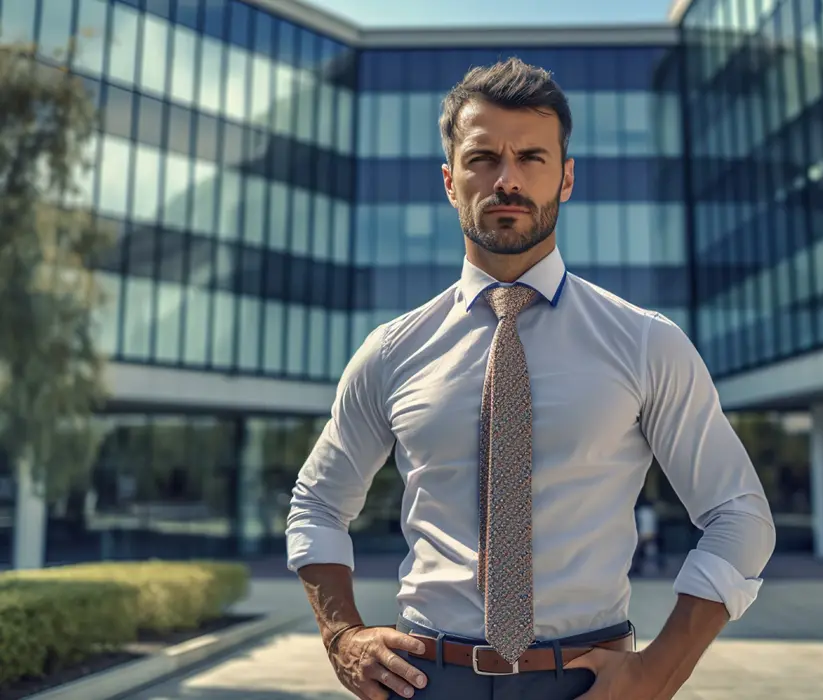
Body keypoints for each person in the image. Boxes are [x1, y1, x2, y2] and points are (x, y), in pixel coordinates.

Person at [285, 57, 776, 700]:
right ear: (450, 180)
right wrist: (341, 637)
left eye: (532, 158)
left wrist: (660, 672)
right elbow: (318, 503)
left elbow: (739, 515)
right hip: (425, 683)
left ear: (566, 178)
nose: (507, 179)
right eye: (483, 158)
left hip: (583, 683)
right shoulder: (391, 351)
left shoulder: (645, 342)